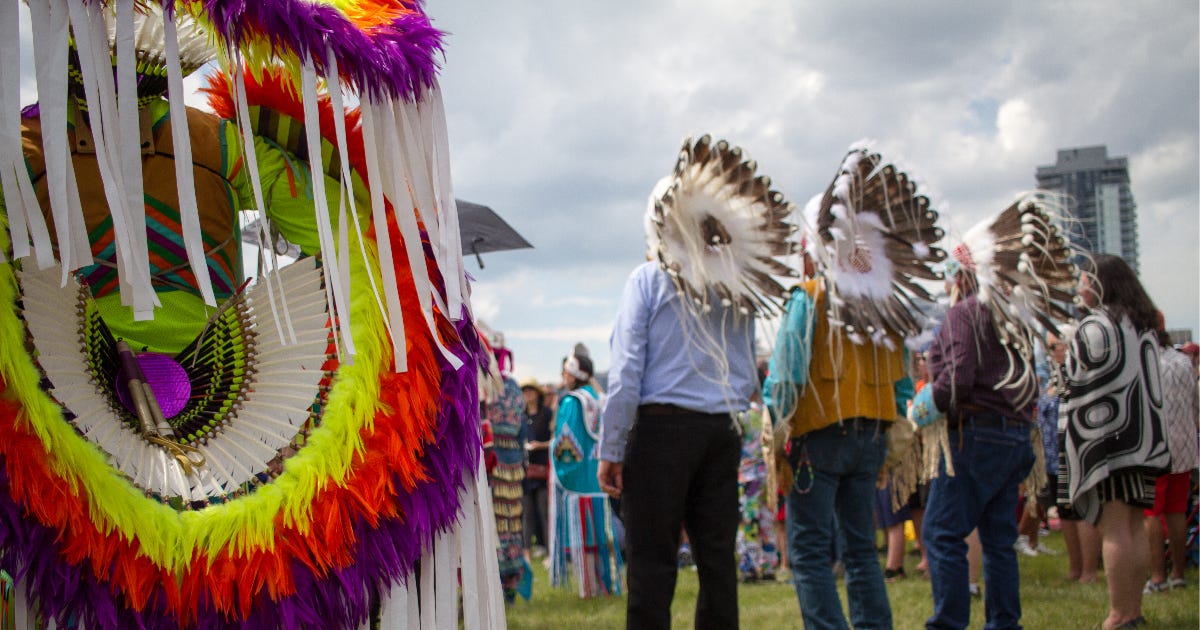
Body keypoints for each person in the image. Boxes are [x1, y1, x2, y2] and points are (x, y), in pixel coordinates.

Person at [599, 135, 799, 630]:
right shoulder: (734, 286)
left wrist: (612, 447)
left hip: (662, 430)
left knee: (652, 564)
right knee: (716, 564)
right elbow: (747, 369)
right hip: (720, 432)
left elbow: (625, 374)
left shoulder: (647, 281)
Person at [921, 260, 1037, 630]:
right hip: (1013, 433)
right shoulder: (1011, 315)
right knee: (999, 538)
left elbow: (958, 378)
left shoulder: (965, 312)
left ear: (961, 278)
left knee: (942, 532)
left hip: (976, 433)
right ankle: (1004, 623)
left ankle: (949, 623)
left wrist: (927, 404)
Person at [1062, 254, 1171, 630]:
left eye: (1083, 280)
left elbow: (1074, 382)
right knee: (1134, 524)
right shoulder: (1140, 323)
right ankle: (1133, 610)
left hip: (1109, 443)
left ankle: (1119, 613)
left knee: (1115, 528)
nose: (1079, 287)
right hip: (1142, 440)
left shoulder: (1096, 325)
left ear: (1099, 283)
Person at [549, 353, 624, 597]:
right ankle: (606, 584)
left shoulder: (571, 402)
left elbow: (565, 443)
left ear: (573, 374)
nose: (563, 377)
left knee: (583, 534)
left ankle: (589, 588)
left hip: (579, 480)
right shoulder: (600, 399)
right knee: (601, 535)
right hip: (599, 476)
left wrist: (553, 449)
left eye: (566, 373)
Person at [1141, 321, 1199, 593]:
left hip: (1155, 445)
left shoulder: (1146, 362)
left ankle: (1157, 577)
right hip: (1185, 445)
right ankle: (1177, 572)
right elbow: (1195, 404)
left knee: (1151, 513)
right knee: (1176, 510)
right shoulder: (1184, 361)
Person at [521, 378, 554, 559]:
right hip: (525, 471)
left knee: (544, 512)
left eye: (531, 390)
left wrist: (540, 445)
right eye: (525, 391)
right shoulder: (520, 416)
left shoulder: (547, 414)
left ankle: (549, 551)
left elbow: (555, 440)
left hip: (542, 469)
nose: (528, 394)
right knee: (527, 513)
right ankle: (526, 553)